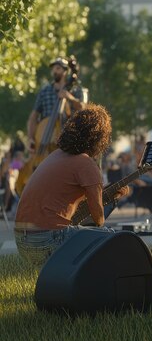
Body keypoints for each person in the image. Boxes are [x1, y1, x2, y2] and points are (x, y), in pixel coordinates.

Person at [14, 104, 129, 267]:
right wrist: (104, 199)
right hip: (47, 240)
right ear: (100, 138)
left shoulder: (56, 155)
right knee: (111, 238)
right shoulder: (86, 164)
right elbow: (98, 220)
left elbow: (68, 202)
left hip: (23, 242)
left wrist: (111, 195)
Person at [26, 57, 85, 154]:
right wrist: (30, 138)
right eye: (53, 69)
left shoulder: (75, 90)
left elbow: (82, 108)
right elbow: (33, 116)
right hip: (44, 135)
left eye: (58, 68)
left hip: (68, 137)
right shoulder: (44, 91)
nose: (54, 71)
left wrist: (69, 97)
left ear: (66, 71)